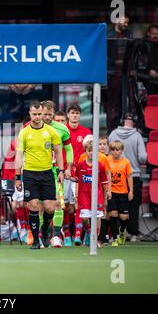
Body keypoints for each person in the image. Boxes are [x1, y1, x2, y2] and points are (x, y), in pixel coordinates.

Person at [15, 101, 65, 249]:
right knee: (33, 206)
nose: (37, 117)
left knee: (50, 207)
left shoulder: (51, 131)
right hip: (30, 173)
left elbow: (58, 152)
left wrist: (61, 171)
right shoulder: (24, 132)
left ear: (43, 114)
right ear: (30, 114)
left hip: (47, 173)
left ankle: (44, 231)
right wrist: (18, 176)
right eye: (34, 114)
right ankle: (36, 240)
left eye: (39, 114)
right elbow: (18, 155)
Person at [108, 112, 147, 242]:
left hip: (114, 174)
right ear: (134, 122)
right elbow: (142, 157)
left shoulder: (113, 134)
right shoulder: (137, 136)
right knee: (133, 205)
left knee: (114, 206)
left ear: (122, 121)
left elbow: (108, 153)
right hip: (133, 174)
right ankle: (133, 233)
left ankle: (117, 234)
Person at [41, 100, 74, 247]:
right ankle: (43, 235)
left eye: (49, 114)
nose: (47, 117)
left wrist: (67, 168)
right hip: (37, 170)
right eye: (44, 114)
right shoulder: (31, 127)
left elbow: (69, 149)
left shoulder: (62, 129)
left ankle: (56, 236)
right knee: (41, 205)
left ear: (53, 113)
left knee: (58, 203)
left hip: (55, 172)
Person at [63, 103, 91, 246]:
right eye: (72, 113)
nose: (75, 115)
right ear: (68, 115)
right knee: (66, 206)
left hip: (80, 175)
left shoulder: (86, 132)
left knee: (80, 206)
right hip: (65, 174)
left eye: (77, 113)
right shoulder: (62, 130)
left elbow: (91, 153)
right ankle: (67, 234)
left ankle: (79, 235)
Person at [73, 138, 108, 247]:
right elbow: (77, 180)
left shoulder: (100, 166)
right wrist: (75, 195)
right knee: (84, 218)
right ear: (86, 152)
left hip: (97, 196)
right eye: (89, 150)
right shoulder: (81, 165)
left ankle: (94, 238)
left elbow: (103, 183)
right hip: (84, 196)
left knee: (97, 218)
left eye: (94, 150)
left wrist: (105, 199)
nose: (91, 153)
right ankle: (89, 231)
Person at [107, 15, 133, 132]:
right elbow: (103, 56)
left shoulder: (129, 35)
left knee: (129, 101)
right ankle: (111, 129)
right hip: (113, 73)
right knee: (114, 103)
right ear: (117, 21)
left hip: (126, 73)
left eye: (127, 22)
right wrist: (115, 62)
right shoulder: (109, 35)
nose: (126, 25)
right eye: (124, 22)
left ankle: (126, 126)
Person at [107, 140, 133, 247]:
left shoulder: (126, 162)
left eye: (118, 150)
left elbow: (129, 177)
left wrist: (131, 191)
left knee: (124, 217)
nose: (115, 152)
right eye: (113, 150)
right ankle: (115, 237)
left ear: (121, 151)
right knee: (113, 214)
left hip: (123, 192)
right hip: (112, 192)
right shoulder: (107, 160)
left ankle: (122, 231)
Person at [135, 25, 158, 95]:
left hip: (157, 79)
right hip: (145, 79)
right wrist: (149, 71)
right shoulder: (143, 44)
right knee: (146, 101)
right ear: (148, 33)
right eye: (153, 34)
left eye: (157, 34)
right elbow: (140, 64)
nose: (156, 36)